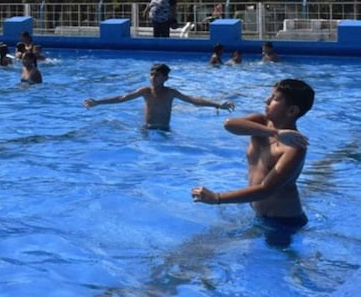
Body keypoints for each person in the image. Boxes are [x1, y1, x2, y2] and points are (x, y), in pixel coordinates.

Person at [191, 79, 314, 246]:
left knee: (279, 265)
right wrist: (276, 132)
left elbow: (266, 189)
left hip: (284, 222)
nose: (267, 101)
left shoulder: (295, 148)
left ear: (292, 110)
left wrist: (217, 198)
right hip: (260, 213)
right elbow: (229, 124)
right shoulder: (260, 123)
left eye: (275, 99)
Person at [83, 63, 235, 130]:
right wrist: (98, 102)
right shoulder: (145, 91)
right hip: (147, 129)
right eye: (151, 75)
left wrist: (217, 105)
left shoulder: (170, 93)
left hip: (164, 129)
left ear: (165, 78)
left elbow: (193, 100)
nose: (153, 78)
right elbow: (123, 98)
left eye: (157, 75)